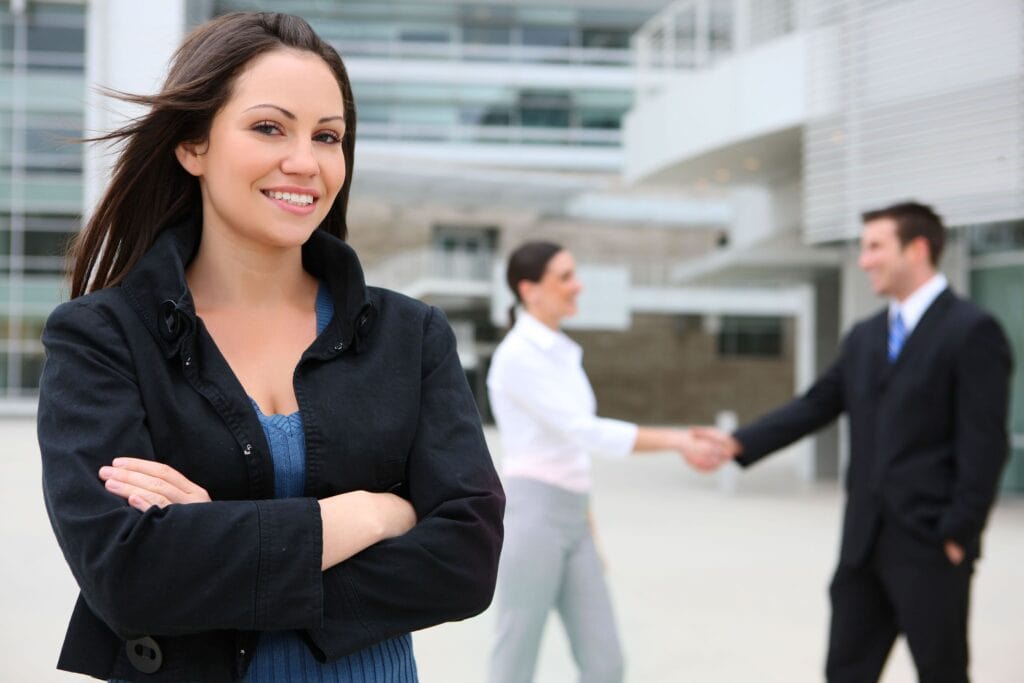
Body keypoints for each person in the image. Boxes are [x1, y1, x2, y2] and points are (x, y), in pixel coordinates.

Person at [37, 12, 504, 683]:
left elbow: (467, 557)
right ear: (193, 145)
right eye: (268, 127)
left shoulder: (412, 335)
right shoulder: (102, 337)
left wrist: (223, 543)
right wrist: (373, 512)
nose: (305, 162)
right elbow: (128, 574)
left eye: (328, 136)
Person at [697, 201, 1012, 682]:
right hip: (862, 544)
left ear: (918, 249)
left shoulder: (971, 331)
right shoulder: (865, 336)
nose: (864, 261)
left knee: (942, 673)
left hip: (931, 543)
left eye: (875, 247)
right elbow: (816, 404)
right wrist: (738, 444)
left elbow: (985, 444)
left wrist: (957, 534)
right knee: (845, 672)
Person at [486, 241, 729, 683]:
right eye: (564, 277)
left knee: (606, 663)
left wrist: (587, 520)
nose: (577, 286)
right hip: (534, 517)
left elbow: (574, 447)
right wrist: (677, 440)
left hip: (573, 515)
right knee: (515, 659)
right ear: (530, 290)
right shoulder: (517, 357)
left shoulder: (563, 352)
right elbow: (584, 430)